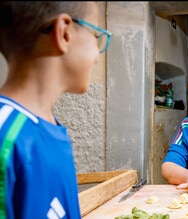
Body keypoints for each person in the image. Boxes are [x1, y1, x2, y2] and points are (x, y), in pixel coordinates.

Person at [0, 2, 111, 218]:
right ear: (64, 33)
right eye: (96, 36)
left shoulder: (49, 127)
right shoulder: (6, 138)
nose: (97, 56)